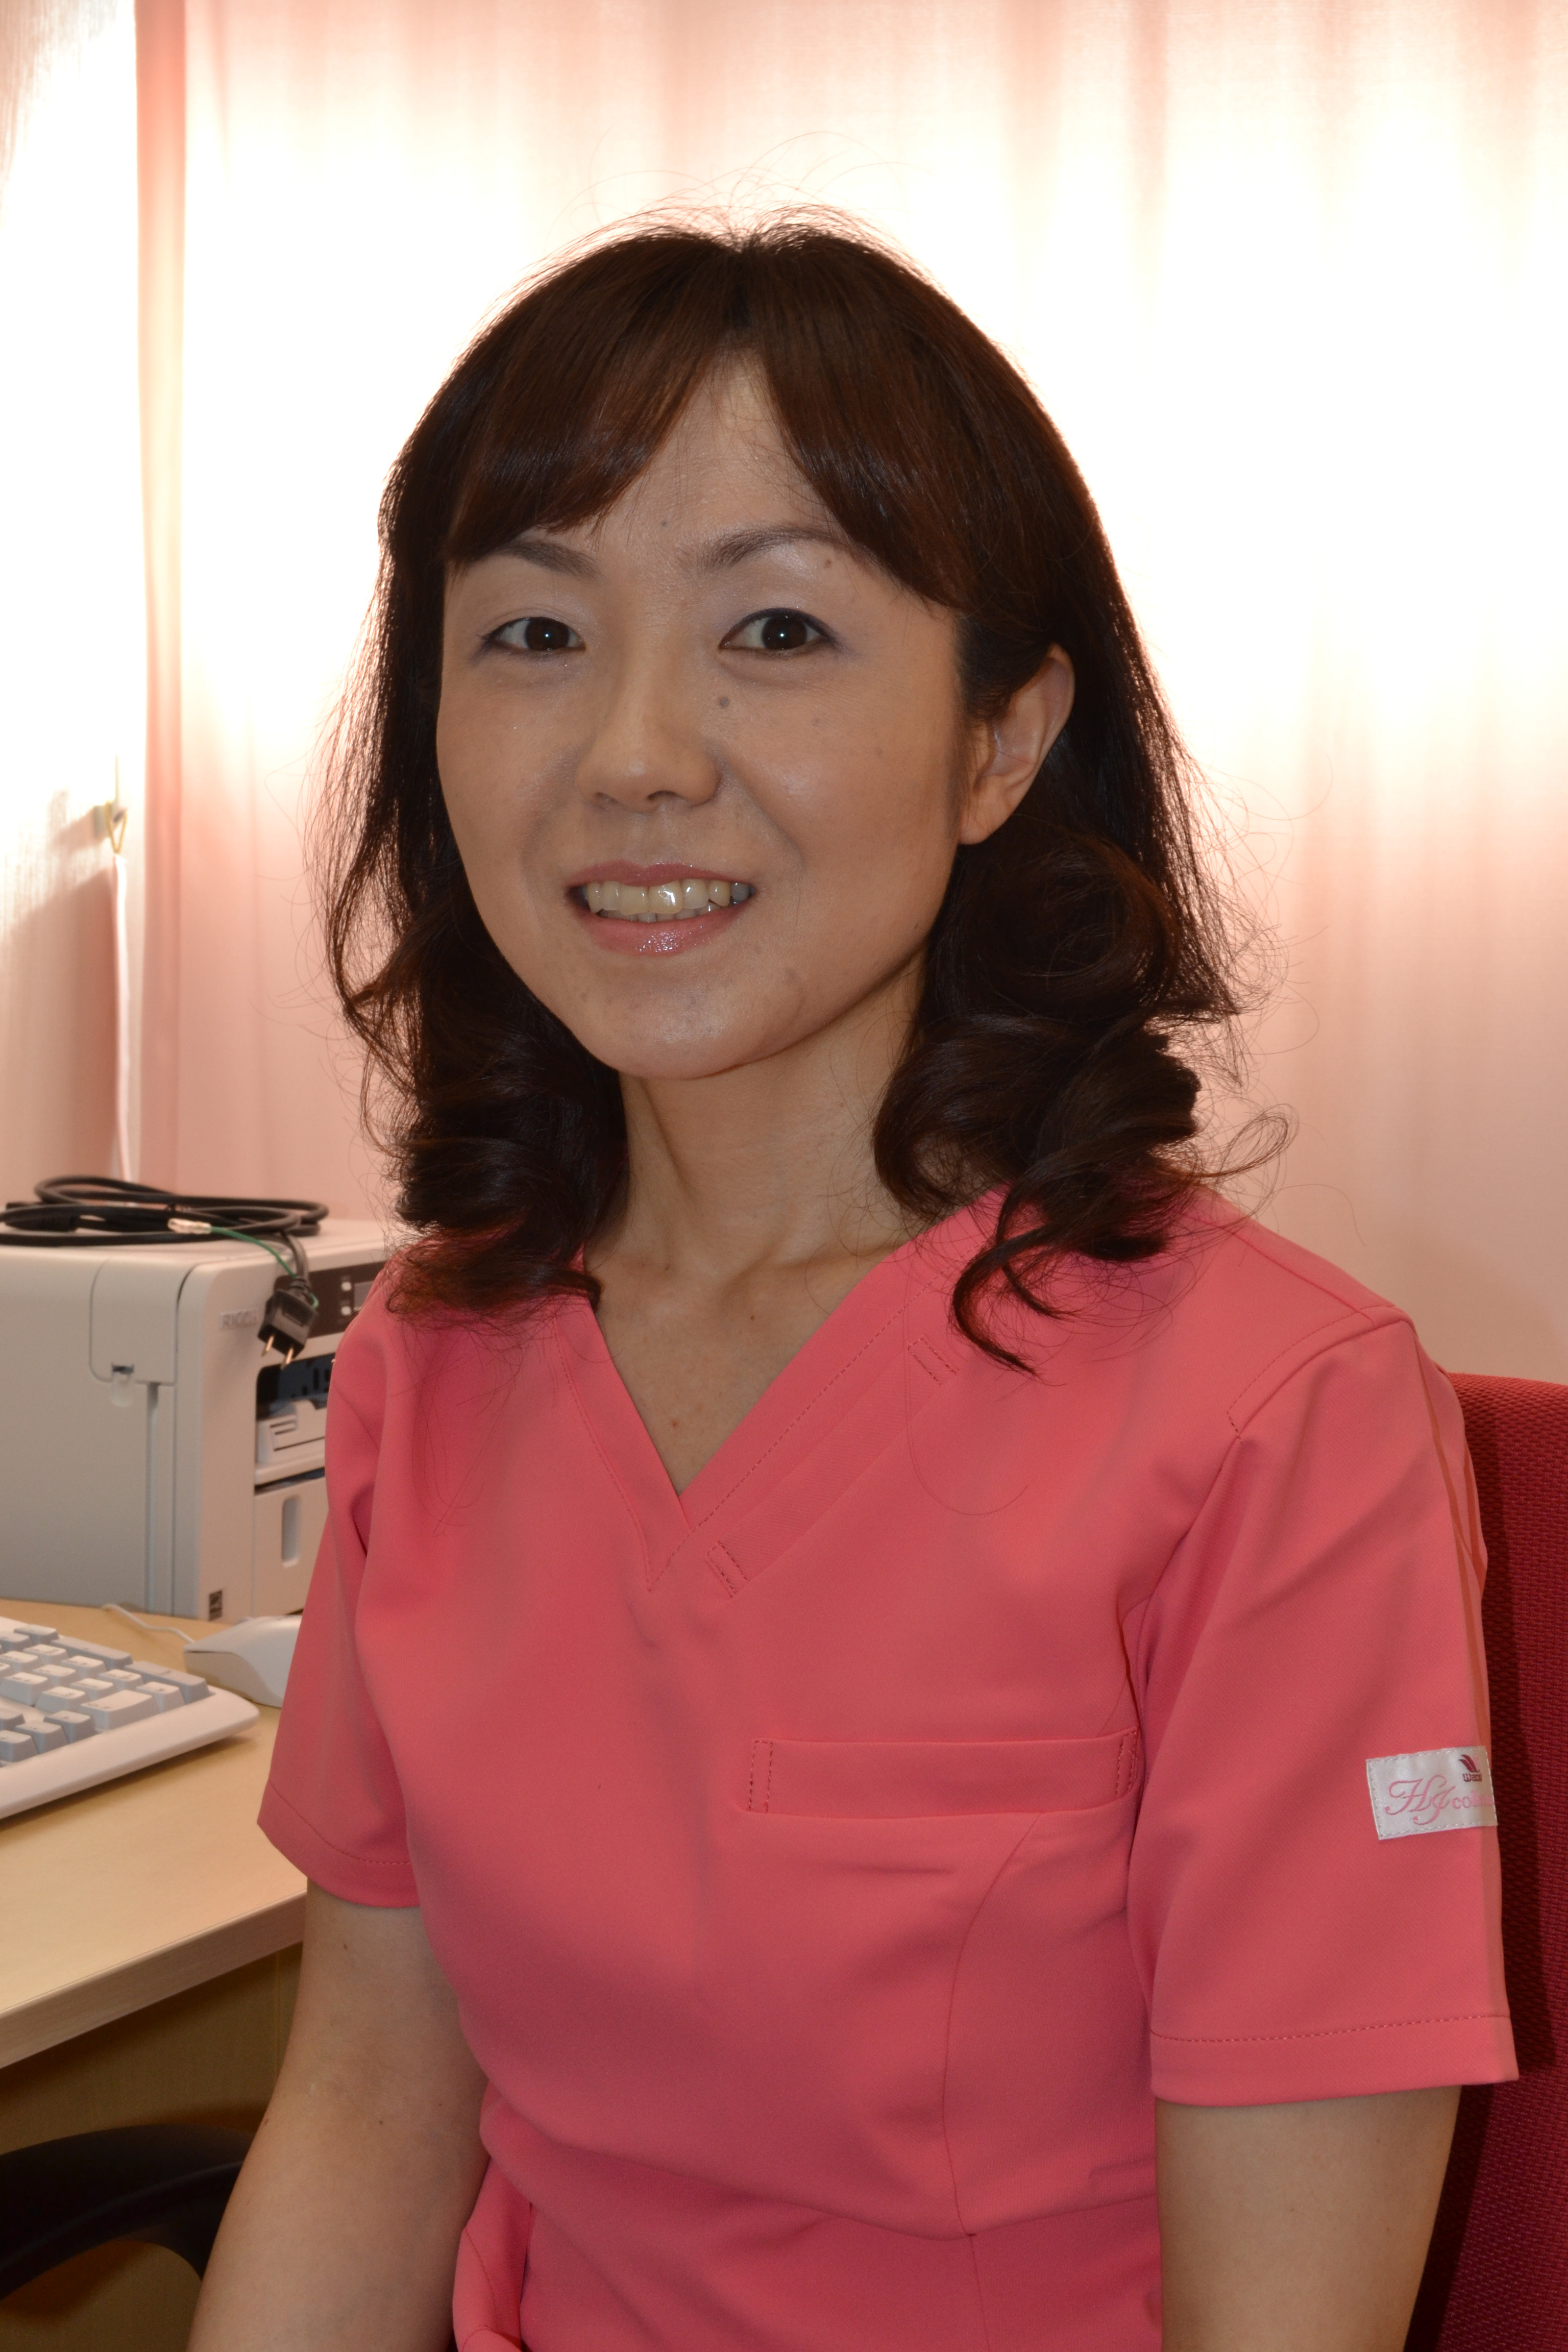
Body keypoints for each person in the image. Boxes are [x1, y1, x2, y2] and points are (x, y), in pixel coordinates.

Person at [188, 218, 1513, 2352]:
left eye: (778, 628)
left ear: (1003, 740)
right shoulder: (438, 1352)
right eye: (533, 632)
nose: (633, 752)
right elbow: (364, 2121)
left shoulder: (1276, 1418)